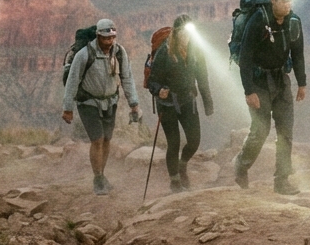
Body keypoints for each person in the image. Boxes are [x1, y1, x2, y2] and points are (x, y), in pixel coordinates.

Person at [233, 0, 306, 195]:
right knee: (261, 130)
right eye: (283, 1)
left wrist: (302, 83)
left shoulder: (293, 22)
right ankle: (241, 166)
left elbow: (298, 53)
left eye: (290, 1)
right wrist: (249, 91)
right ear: (273, 0)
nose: (287, 5)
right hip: (259, 81)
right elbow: (245, 58)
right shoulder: (258, 21)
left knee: (285, 131)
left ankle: (281, 180)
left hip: (281, 79)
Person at [62, 18, 140, 195]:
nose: (109, 42)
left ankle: (102, 175)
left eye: (112, 38)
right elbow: (73, 81)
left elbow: (127, 77)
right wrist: (68, 108)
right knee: (97, 139)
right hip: (88, 102)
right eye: (105, 38)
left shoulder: (119, 52)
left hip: (110, 102)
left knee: (106, 140)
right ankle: (97, 179)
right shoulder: (84, 54)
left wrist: (133, 103)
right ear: (98, 36)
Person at [148, 14, 214, 192]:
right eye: (183, 33)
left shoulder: (196, 51)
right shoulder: (164, 52)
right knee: (174, 143)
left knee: (194, 140)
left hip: (187, 100)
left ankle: (182, 163)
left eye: (189, 32)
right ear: (176, 33)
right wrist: (159, 90)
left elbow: (202, 77)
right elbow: (152, 81)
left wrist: (208, 102)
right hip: (167, 104)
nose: (187, 36)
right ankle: (175, 181)